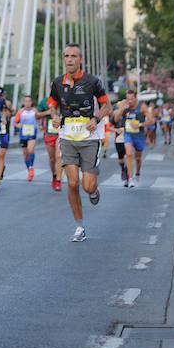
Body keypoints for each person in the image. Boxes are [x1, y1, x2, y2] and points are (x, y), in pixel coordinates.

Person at [47, 44, 111, 243]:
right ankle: (79, 226)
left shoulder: (92, 81)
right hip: (67, 138)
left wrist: (96, 118)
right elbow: (52, 104)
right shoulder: (58, 83)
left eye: (73, 56)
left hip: (89, 140)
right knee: (72, 183)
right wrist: (54, 116)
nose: (69, 59)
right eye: (66, 56)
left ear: (80, 59)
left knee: (87, 186)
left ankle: (94, 190)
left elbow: (107, 105)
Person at [114, 89, 156, 187]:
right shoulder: (124, 105)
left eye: (131, 99)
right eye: (128, 99)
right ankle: (130, 178)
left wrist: (140, 124)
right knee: (128, 154)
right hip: (128, 134)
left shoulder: (142, 106)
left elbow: (152, 121)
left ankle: (137, 171)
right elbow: (116, 119)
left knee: (138, 158)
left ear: (136, 98)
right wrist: (122, 109)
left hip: (139, 135)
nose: (130, 101)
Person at [36, 97, 63, 191]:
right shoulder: (44, 101)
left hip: (62, 132)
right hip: (49, 133)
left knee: (59, 156)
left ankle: (58, 180)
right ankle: (55, 175)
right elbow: (36, 115)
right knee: (52, 159)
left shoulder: (65, 99)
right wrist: (46, 112)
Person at [13, 95, 39, 181]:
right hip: (23, 135)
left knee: (30, 150)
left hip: (32, 134)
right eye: (26, 101)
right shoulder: (20, 112)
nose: (27, 103)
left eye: (29, 101)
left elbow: (39, 119)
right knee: (25, 155)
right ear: (23, 103)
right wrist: (18, 125)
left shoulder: (34, 111)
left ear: (31, 102)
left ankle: (31, 167)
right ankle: (29, 170)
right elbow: (15, 123)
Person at [0, 87, 12, 185]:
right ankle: (0, 169)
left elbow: (10, 114)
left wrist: (5, 109)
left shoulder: (7, 103)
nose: (0, 97)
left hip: (5, 131)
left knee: (1, 155)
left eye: (1, 96)